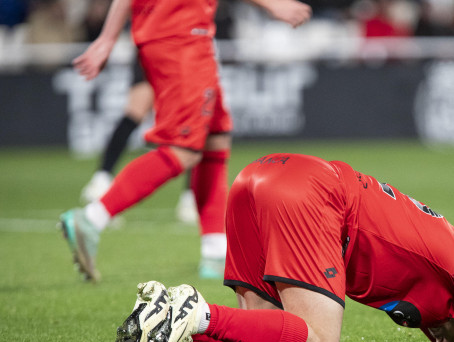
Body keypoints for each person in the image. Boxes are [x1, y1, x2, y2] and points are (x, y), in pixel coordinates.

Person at [113, 153, 454, 342]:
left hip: (258, 180)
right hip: (310, 194)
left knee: (254, 340)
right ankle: (196, 311)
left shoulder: (433, 306)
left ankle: (167, 313)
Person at [59, 0, 313, 282]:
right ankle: (93, 218)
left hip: (178, 36)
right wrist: (272, 4)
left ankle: (215, 251)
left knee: (215, 140)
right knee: (183, 149)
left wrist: (107, 39)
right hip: (181, 37)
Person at [78, 59, 199, 225]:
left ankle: (101, 180)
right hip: (176, 51)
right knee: (195, 122)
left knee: (137, 113)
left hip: (157, 49)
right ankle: (191, 199)